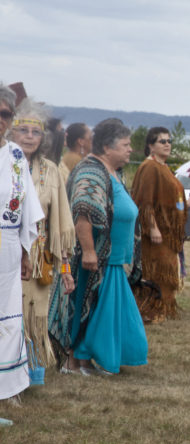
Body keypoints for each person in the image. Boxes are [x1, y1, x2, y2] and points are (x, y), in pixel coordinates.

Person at [48, 118, 147, 376]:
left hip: (112, 259)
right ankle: (72, 361)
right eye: (125, 145)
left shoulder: (112, 171)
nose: (130, 150)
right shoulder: (91, 171)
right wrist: (89, 250)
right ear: (106, 147)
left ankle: (86, 358)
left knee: (100, 311)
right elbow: (83, 211)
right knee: (83, 302)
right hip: (93, 257)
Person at [9, 99, 76, 384]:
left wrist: (65, 269)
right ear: (10, 132)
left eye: (35, 132)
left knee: (34, 315)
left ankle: (28, 374)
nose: (29, 137)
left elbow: (61, 223)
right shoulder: (4, 165)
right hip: (7, 250)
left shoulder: (51, 171)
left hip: (39, 259)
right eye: (23, 130)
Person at [0, 83, 44, 416]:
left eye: (5, 114)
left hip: (9, 251)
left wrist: (27, 252)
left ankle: (4, 389)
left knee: (7, 319)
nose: (0, 120)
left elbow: (27, 208)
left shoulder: (15, 156)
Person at [130, 127, 188, 323]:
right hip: (157, 233)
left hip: (168, 231)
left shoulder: (163, 166)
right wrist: (153, 227)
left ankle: (162, 309)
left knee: (167, 271)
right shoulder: (149, 167)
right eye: (162, 141)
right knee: (156, 271)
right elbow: (145, 201)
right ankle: (150, 310)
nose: (167, 144)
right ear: (150, 146)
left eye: (169, 140)